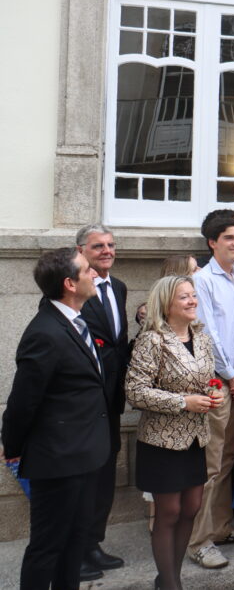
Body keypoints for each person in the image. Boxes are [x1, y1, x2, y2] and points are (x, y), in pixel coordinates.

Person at [1, 248, 107, 590]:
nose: (94, 273)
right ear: (69, 284)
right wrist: (13, 447)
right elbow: (22, 402)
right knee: (47, 547)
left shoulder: (76, 319)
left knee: (75, 544)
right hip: (57, 460)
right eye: (87, 270)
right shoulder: (44, 332)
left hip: (86, 454)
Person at [126, 275, 220, 590]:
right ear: (167, 303)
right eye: (184, 297)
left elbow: (205, 378)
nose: (192, 301)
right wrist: (183, 402)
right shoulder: (152, 339)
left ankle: (170, 577)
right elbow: (135, 392)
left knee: (191, 509)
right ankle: (170, 584)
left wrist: (213, 393)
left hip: (195, 437)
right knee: (169, 511)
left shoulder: (201, 336)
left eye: (193, 295)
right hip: (161, 441)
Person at [188, 209, 234, 569]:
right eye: (229, 238)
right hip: (216, 381)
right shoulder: (204, 280)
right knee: (212, 464)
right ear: (212, 243)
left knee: (228, 458)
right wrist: (232, 373)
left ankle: (220, 527)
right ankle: (198, 541)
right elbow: (207, 331)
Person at [75, 224, 129, 579]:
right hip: (84, 403)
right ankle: (74, 553)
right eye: (98, 246)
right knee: (83, 478)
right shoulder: (72, 288)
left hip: (112, 400)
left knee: (105, 474)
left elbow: (117, 341)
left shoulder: (119, 287)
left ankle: (93, 545)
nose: (107, 251)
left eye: (110, 245)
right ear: (81, 250)